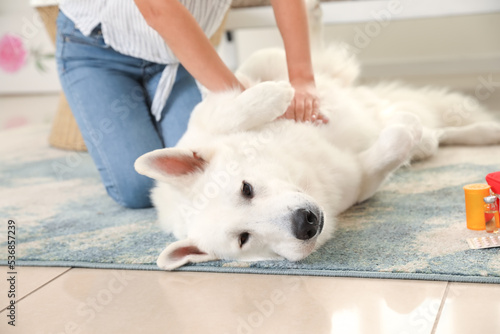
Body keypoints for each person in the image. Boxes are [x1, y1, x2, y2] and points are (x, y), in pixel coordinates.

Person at [56, 0, 326, 209]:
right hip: (97, 50)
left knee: (209, 164)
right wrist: (247, 104)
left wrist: (302, 78)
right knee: (139, 188)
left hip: (177, 60)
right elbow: (157, 9)